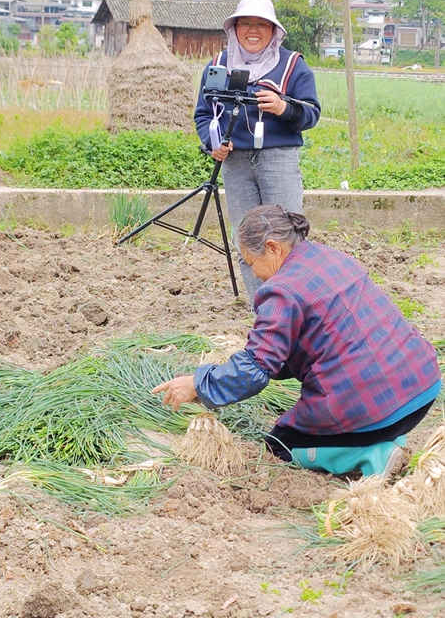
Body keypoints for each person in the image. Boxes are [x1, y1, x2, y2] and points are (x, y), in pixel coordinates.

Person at [152, 205, 441, 479]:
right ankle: (387, 437)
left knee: (279, 445)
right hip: (422, 386)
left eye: (251, 263)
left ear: (273, 248)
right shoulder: (330, 256)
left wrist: (199, 384)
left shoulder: (282, 290)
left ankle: (371, 453)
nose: (255, 274)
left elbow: (254, 370)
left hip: (375, 406)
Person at [194, 0, 321, 305]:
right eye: (246, 23)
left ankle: (295, 308)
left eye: (261, 24)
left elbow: (311, 113)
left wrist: (283, 107)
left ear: (273, 30)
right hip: (235, 163)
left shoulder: (292, 66)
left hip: (278, 160)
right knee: (247, 240)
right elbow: (203, 115)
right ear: (234, 28)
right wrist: (213, 143)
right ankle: (263, 312)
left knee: (286, 236)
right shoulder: (218, 66)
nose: (253, 30)